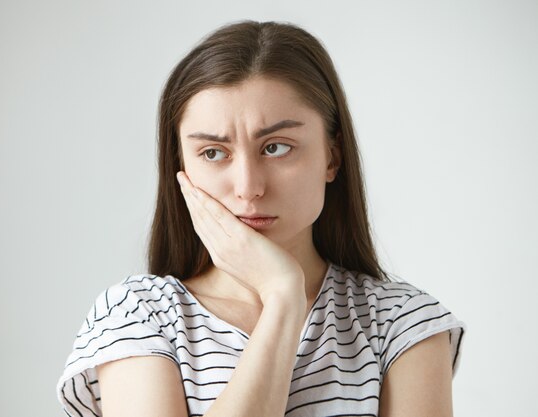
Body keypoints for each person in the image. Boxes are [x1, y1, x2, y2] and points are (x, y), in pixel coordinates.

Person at [56, 20, 465, 417]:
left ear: (332, 156)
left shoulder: (403, 323)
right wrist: (283, 296)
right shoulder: (138, 314)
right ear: (181, 168)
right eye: (213, 153)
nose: (248, 187)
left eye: (276, 148)